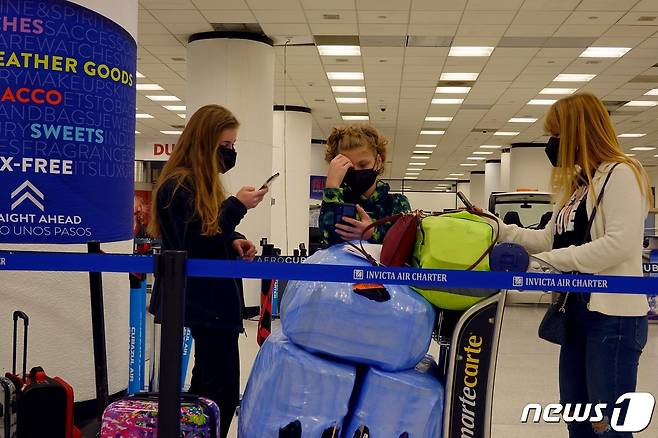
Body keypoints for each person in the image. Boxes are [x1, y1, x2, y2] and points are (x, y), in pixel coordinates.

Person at [495, 93, 651, 438]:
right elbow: (550, 239)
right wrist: (497, 228)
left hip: (614, 318)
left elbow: (617, 244)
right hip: (577, 311)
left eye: (556, 134)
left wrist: (544, 264)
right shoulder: (580, 185)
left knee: (608, 427)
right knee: (577, 420)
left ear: (578, 133)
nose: (552, 144)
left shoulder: (622, 173)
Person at [148, 104, 267, 437]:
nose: (231, 152)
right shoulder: (179, 185)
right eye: (225, 146)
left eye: (232, 146)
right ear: (203, 143)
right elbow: (196, 241)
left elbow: (213, 232)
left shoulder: (200, 183)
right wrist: (237, 207)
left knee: (211, 386)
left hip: (211, 301)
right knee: (221, 390)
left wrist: (235, 240)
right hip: (202, 302)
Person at [319, 124, 411, 246]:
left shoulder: (397, 203)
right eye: (349, 167)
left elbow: (405, 246)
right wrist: (331, 186)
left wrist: (372, 233)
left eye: (363, 165)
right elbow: (327, 239)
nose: (356, 170)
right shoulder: (338, 200)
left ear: (378, 161)